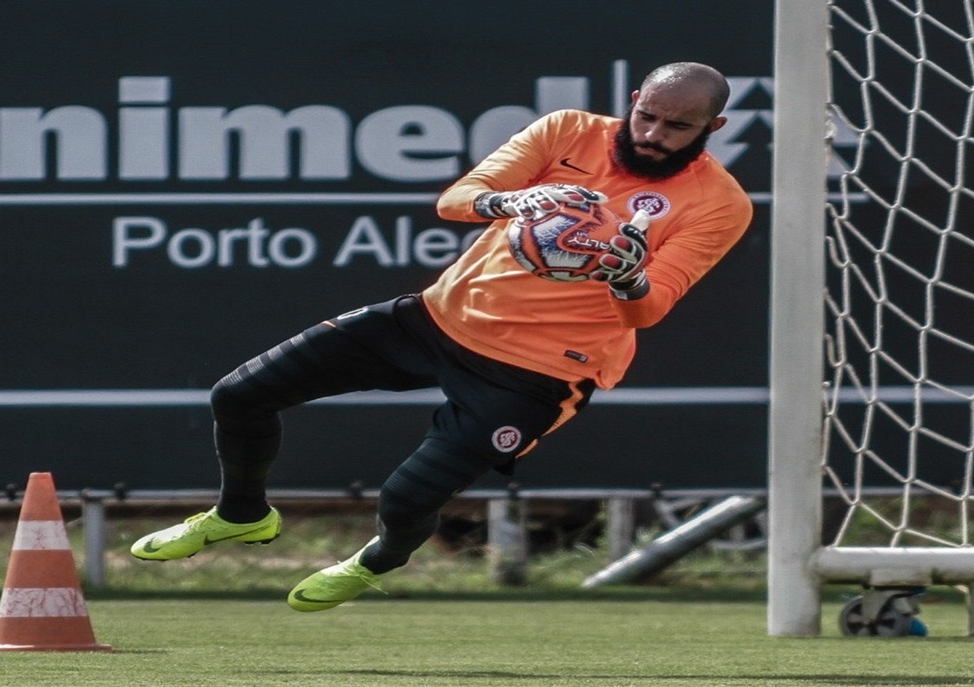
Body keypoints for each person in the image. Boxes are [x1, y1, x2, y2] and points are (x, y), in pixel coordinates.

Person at [130, 61, 754, 612]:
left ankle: (378, 561)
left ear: (712, 129)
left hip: (539, 371)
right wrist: (518, 203)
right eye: (646, 115)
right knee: (239, 395)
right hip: (437, 319)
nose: (652, 135)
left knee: (406, 499)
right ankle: (242, 517)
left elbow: (649, 311)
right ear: (634, 99)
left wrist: (625, 274)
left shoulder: (719, 202)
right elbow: (459, 199)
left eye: (677, 127)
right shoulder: (567, 130)